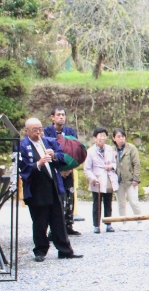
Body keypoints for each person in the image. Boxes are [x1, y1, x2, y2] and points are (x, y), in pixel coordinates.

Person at [18, 118, 83, 262]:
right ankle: (40, 250)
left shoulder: (49, 141)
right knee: (40, 221)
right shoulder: (23, 145)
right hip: (36, 188)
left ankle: (65, 250)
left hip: (53, 184)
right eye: (35, 130)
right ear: (26, 131)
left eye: (40, 129)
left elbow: (62, 156)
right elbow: (22, 168)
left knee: (58, 220)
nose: (38, 132)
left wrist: (53, 155)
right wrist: (39, 163)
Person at [41, 106, 81, 236]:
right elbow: (44, 149)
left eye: (63, 114)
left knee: (69, 197)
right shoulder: (46, 132)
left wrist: (70, 168)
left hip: (68, 169)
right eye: (58, 115)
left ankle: (68, 225)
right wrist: (58, 170)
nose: (61, 117)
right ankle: (55, 229)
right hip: (53, 170)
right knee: (57, 199)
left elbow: (76, 150)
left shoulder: (70, 131)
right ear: (52, 117)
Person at [83, 127, 118, 234]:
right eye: (100, 136)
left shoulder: (109, 149)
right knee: (97, 203)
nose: (102, 138)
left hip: (108, 179)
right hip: (97, 180)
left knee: (108, 203)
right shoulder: (90, 151)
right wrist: (93, 178)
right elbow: (87, 168)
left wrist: (111, 166)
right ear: (94, 138)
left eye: (104, 135)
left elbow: (115, 163)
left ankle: (108, 223)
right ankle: (96, 225)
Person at [113, 128, 142, 229]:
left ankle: (139, 221)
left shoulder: (131, 148)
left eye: (122, 136)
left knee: (134, 201)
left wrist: (136, 178)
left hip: (130, 179)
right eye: (118, 137)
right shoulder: (112, 150)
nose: (121, 139)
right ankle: (124, 222)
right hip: (118, 180)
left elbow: (137, 164)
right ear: (114, 138)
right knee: (121, 203)